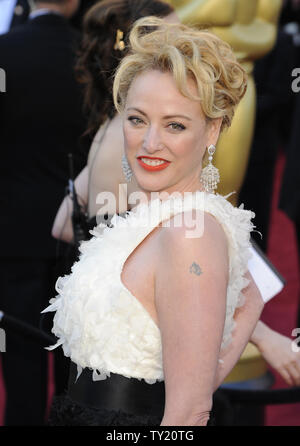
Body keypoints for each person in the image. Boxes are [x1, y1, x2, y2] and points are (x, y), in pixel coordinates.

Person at [52, 0, 300, 389]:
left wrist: (107, 269)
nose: (180, 49)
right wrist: (263, 333)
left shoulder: (115, 128)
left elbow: (65, 224)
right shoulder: (145, 148)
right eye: (169, 37)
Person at [0, 0, 89, 425]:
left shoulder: (5, 50)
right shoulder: (92, 56)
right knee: (74, 359)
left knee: (19, 359)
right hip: (81, 230)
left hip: (12, 231)